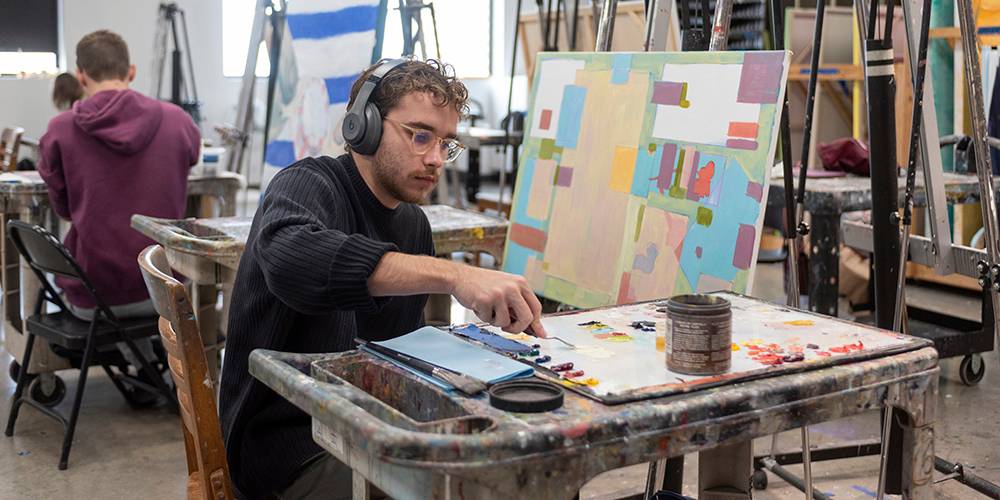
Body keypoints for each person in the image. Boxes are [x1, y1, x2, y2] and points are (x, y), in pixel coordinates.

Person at [219, 58, 546, 498]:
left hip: (376, 426)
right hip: (291, 446)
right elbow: (293, 263)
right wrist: (454, 275)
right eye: (419, 135)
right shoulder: (305, 185)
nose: (434, 159)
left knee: (525, 470)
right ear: (364, 127)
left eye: (445, 143)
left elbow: (396, 354)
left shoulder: (413, 225)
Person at [37, 30, 200, 362]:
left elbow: (64, 210)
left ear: (81, 77)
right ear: (131, 72)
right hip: (166, 289)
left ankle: (139, 360)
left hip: (94, 296)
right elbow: (191, 159)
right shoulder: (178, 121)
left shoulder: (59, 130)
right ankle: (151, 363)